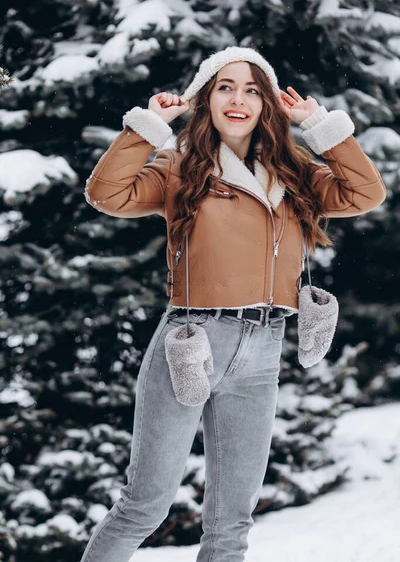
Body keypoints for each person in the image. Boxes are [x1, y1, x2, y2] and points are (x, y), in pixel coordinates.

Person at [81, 46, 386, 562]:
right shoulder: (180, 167)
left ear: (267, 103)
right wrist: (148, 127)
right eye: (225, 86)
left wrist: (320, 126)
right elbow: (107, 193)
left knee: (231, 522)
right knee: (144, 506)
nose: (238, 99)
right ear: (207, 98)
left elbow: (365, 193)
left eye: (251, 89)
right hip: (192, 343)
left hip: (263, 348)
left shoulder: (295, 173)